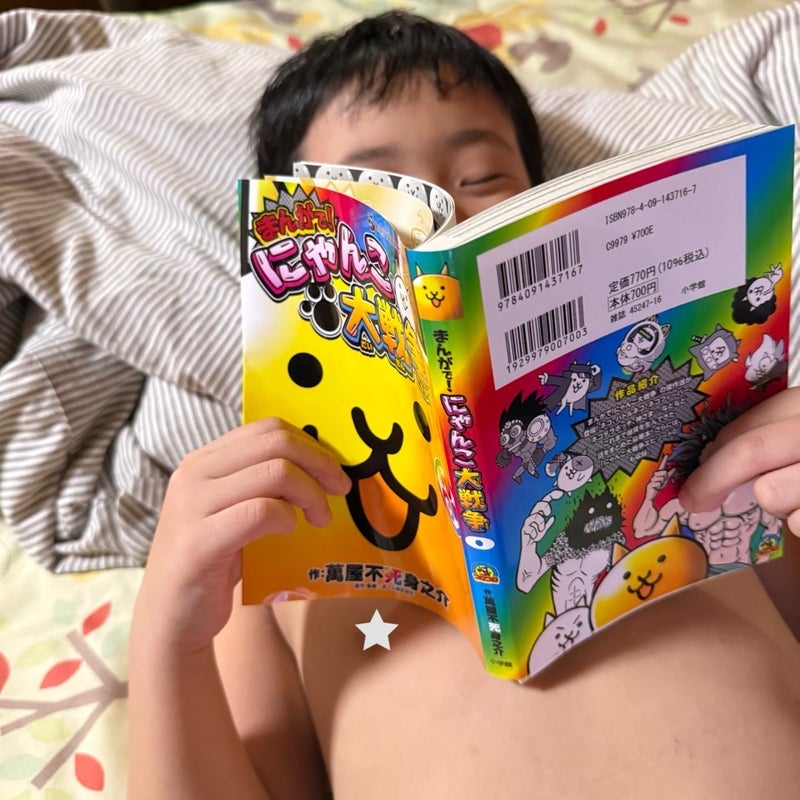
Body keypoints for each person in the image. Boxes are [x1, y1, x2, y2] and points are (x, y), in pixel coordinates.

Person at [127, 11, 800, 800]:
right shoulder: (262, 531)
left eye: (483, 180)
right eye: (378, 200)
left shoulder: (714, 438)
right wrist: (167, 638)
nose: (443, 220)